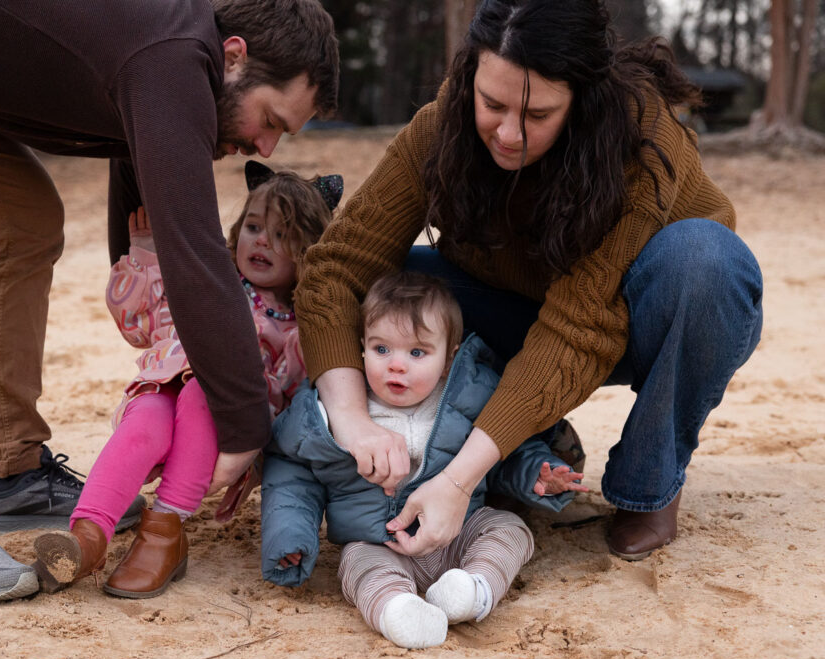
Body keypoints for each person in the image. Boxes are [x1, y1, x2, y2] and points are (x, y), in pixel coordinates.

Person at [0, 0, 339, 602]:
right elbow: (193, 244)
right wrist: (242, 428)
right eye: (270, 119)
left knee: (23, 222)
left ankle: (10, 472)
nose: (264, 146)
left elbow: (150, 193)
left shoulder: (173, 55)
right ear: (234, 56)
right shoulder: (176, 53)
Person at [294, 0, 762, 564]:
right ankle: (505, 434)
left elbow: (577, 328)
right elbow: (337, 268)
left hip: (643, 317)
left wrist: (459, 482)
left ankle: (648, 479)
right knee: (396, 287)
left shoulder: (641, 140)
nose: (509, 134)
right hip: (509, 307)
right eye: (491, 104)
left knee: (707, 260)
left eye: (538, 115)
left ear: (582, 103)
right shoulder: (442, 125)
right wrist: (351, 421)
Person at [32, 161, 343, 598]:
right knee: (142, 428)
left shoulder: (296, 330)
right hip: (163, 386)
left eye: (281, 235)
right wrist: (143, 253)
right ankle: (88, 538)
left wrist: (255, 458)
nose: (261, 241)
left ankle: (164, 531)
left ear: (307, 251)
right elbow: (140, 328)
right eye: (253, 226)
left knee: (205, 388)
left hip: (220, 416)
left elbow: (288, 400)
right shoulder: (210, 282)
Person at [262, 272, 586, 648]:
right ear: (361, 347)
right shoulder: (327, 410)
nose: (396, 365)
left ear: (448, 359)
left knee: (508, 528)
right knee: (356, 564)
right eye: (382, 349)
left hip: (457, 531)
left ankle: (472, 589)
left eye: (417, 353)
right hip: (378, 541)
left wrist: (537, 475)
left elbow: (504, 452)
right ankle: (396, 610)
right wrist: (290, 535)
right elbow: (292, 473)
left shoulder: (472, 394)